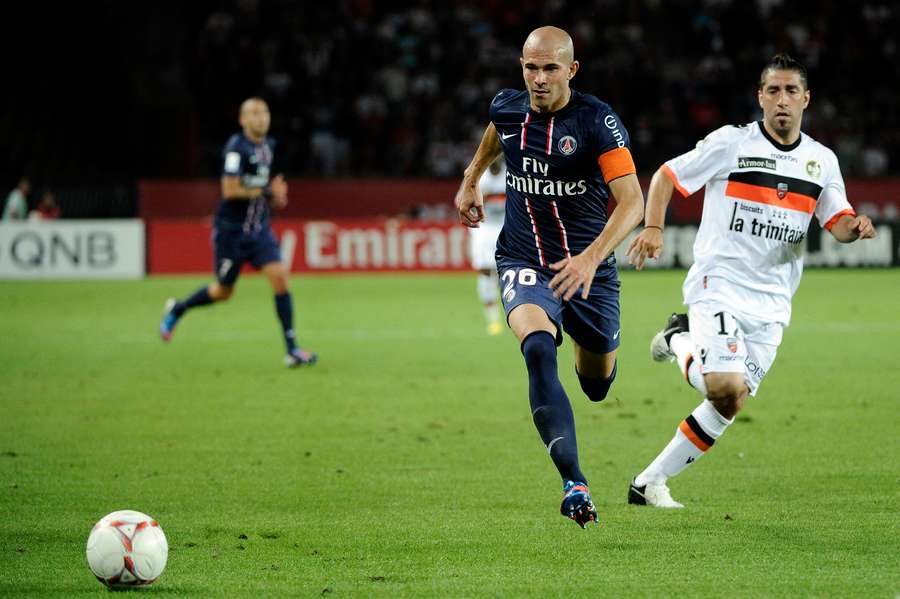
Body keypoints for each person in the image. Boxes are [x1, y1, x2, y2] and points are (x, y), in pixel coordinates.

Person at [625, 54, 876, 508]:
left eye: (791, 91)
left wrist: (854, 227)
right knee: (723, 385)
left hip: (774, 303)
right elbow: (665, 176)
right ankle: (679, 337)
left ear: (806, 99)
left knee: (731, 401)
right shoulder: (731, 143)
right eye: (773, 91)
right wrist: (654, 227)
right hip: (719, 285)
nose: (782, 100)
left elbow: (837, 222)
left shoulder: (821, 161)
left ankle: (648, 484)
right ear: (760, 97)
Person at [455, 26, 644, 527]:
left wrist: (590, 258)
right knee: (538, 349)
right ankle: (574, 482)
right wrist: (471, 178)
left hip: (588, 270)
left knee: (596, 385)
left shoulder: (597, 121)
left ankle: (589, 339)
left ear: (571, 70)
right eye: (531, 68)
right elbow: (496, 132)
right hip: (524, 259)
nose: (539, 79)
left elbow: (633, 203)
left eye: (550, 68)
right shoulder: (507, 107)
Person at [160, 97, 318, 368]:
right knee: (223, 291)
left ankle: (292, 350)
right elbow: (230, 190)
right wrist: (266, 191)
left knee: (280, 278)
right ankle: (179, 308)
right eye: (254, 113)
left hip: (259, 231)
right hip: (231, 234)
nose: (261, 117)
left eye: (264, 112)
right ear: (243, 120)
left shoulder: (270, 147)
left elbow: (267, 189)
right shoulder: (236, 148)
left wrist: (276, 198)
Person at [468, 157, 507, 335]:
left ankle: (513, 312)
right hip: (484, 228)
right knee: (485, 270)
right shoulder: (478, 176)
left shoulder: (511, 173)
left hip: (506, 227)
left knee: (506, 271)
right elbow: (461, 199)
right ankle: (493, 320)